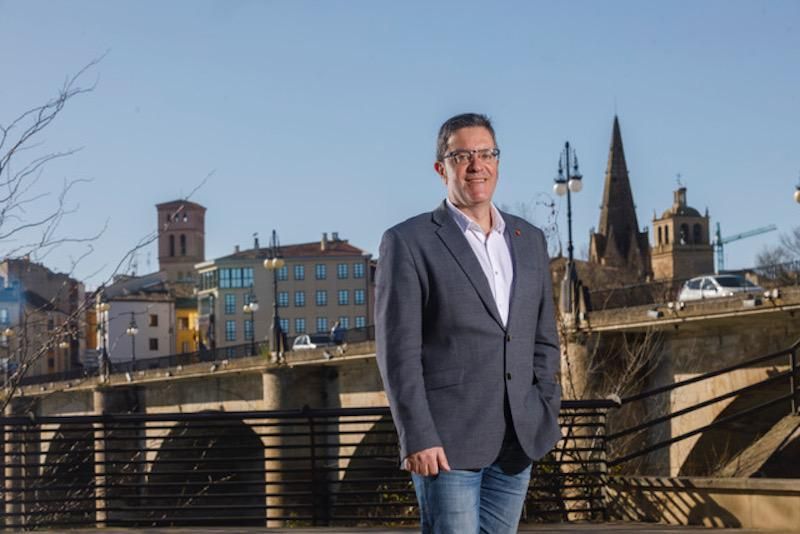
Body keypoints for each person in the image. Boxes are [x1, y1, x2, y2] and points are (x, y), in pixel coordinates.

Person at [375, 113, 562, 533]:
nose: (477, 165)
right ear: (441, 168)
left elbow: (543, 338)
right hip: (446, 444)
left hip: (517, 442)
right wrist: (417, 435)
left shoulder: (529, 239)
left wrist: (545, 405)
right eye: (462, 156)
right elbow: (398, 353)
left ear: (497, 161)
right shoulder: (409, 241)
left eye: (486, 154)